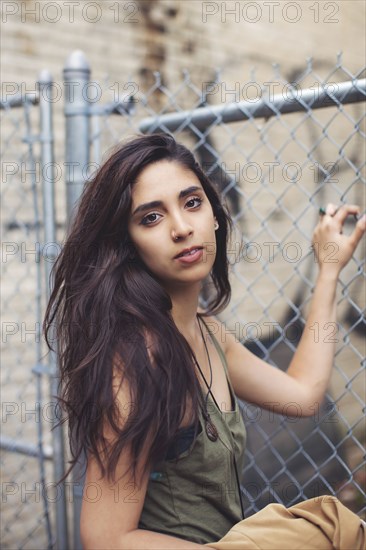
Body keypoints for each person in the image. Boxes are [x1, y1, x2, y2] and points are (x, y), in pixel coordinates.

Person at [44, 133, 366, 549]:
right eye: (151, 218)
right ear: (128, 246)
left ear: (214, 214)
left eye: (192, 203)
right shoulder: (135, 363)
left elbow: (302, 395)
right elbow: (107, 538)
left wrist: (328, 270)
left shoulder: (208, 333)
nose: (181, 228)